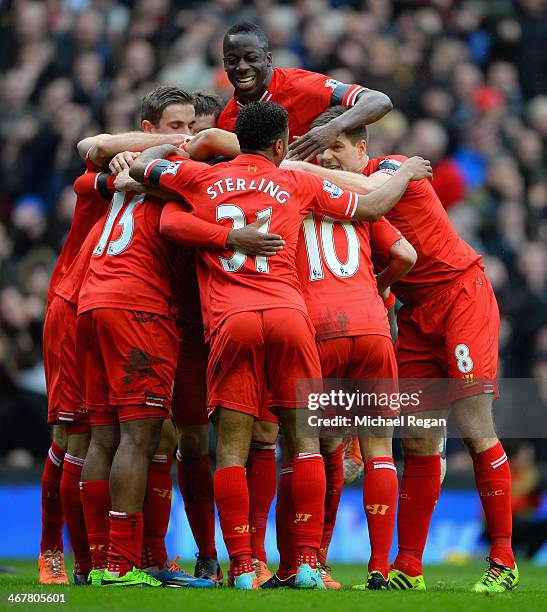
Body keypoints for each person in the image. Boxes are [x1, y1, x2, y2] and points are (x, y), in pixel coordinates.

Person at [129, 100, 431, 589]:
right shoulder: (299, 181)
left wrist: (180, 155)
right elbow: (375, 206)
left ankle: (245, 566)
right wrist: (409, 172)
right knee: (306, 443)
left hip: (233, 319)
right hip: (293, 317)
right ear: (281, 144)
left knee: (231, 449)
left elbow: (147, 172)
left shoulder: (198, 178)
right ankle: (309, 563)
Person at [287, 105, 518, 593]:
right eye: (320, 149)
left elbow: (372, 194)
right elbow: (390, 262)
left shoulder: (390, 169)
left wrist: (295, 165)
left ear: (362, 148)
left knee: (475, 427)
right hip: (414, 314)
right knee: (416, 442)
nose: (327, 159)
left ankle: (502, 558)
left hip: (460, 296)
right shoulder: (337, 205)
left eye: (335, 148)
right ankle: (408, 567)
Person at [39, 164, 115, 585]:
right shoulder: (107, 171)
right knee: (74, 436)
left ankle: (132, 555)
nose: (186, 135)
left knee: (143, 432)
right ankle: (61, 554)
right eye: (174, 125)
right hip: (74, 309)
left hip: (126, 315)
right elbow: (92, 148)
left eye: (190, 128)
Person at [217, 22, 393, 161]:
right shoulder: (226, 122)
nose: (241, 67)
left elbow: (379, 101)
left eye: (251, 58)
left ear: (268, 59)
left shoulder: (301, 86)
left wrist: (332, 128)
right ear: (224, 64)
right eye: (232, 60)